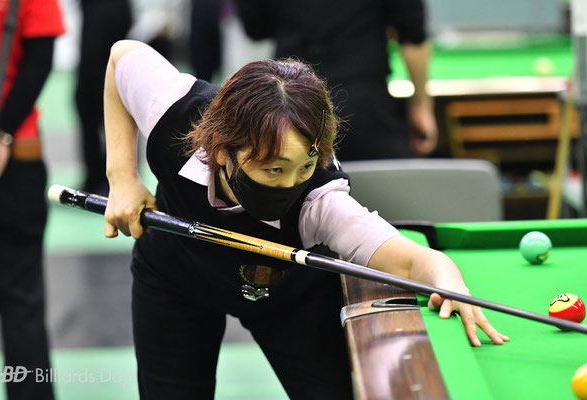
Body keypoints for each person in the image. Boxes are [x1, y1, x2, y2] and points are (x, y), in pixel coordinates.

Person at [103, 39, 508, 399]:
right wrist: (121, 177)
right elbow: (122, 55)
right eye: (274, 169)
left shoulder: (322, 202)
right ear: (223, 151)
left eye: (305, 167)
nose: (290, 184)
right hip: (175, 276)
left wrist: (448, 281)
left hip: (289, 297)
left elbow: (411, 261)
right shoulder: (174, 111)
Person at [235, 0, 438, 161]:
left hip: (293, 106)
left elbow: (256, 28)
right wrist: (421, 106)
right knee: (400, 190)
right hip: (366, 106)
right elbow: (412, 36)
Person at [0, 0, 65, 399]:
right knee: (21, 301)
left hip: (12, 162)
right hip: (14, 156)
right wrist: (2, 131)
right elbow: (39, 61)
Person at [75, 0, 132, 194]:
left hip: (103, 18)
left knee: (100, 107)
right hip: (105, 16)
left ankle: (111, 180)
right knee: (95, 106)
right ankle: (102, 178)